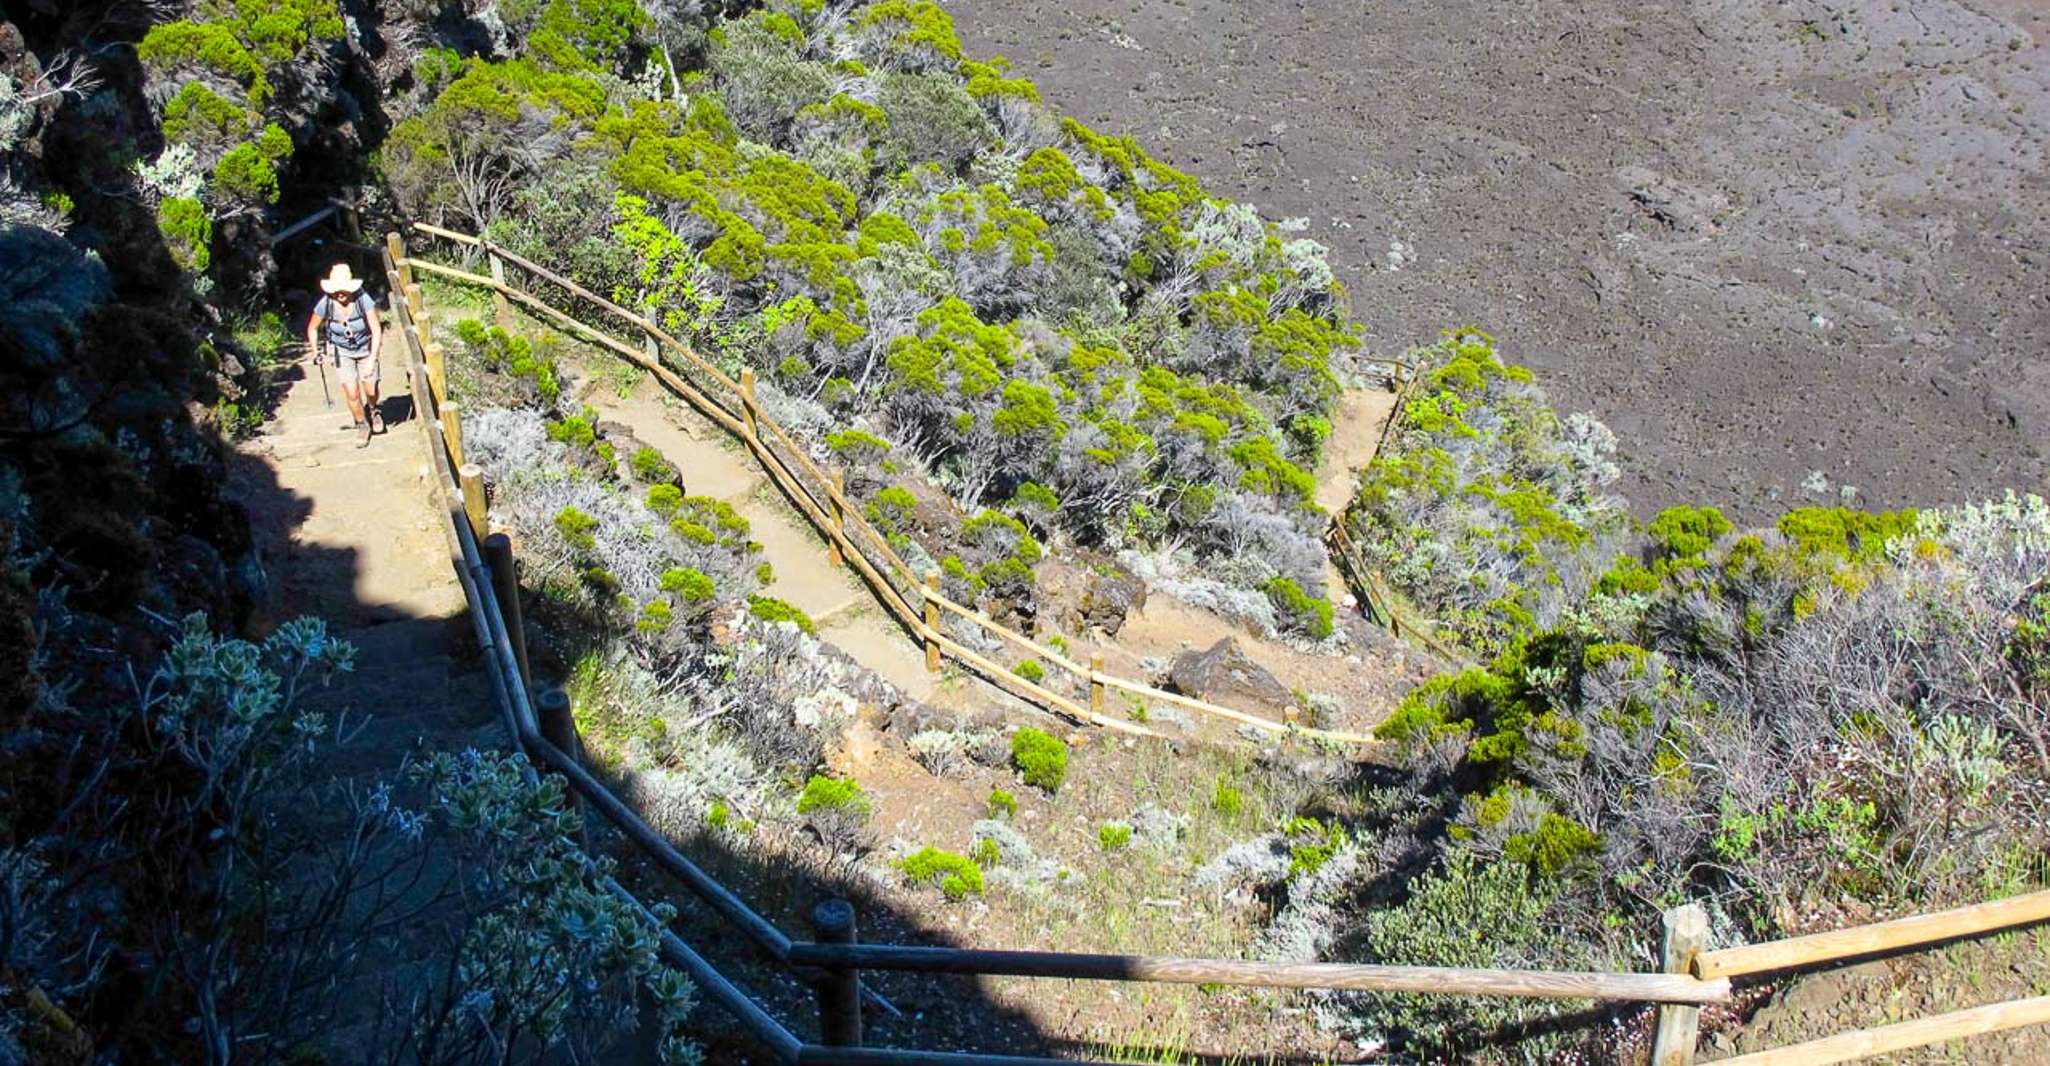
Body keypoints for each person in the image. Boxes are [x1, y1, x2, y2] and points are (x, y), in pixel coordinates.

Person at [306, 263, 385, 447]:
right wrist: (315, 351)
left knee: (371, 389)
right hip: (342, 351)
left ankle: (373, 410)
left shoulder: (363, 299)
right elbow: (312, 328)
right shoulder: (325, 304)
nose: (340, 293)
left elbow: (376, 329)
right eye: (336, 290)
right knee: (352, 392)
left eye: (343, 289)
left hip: (365, 348)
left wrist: (373, 358)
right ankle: (361, 424)